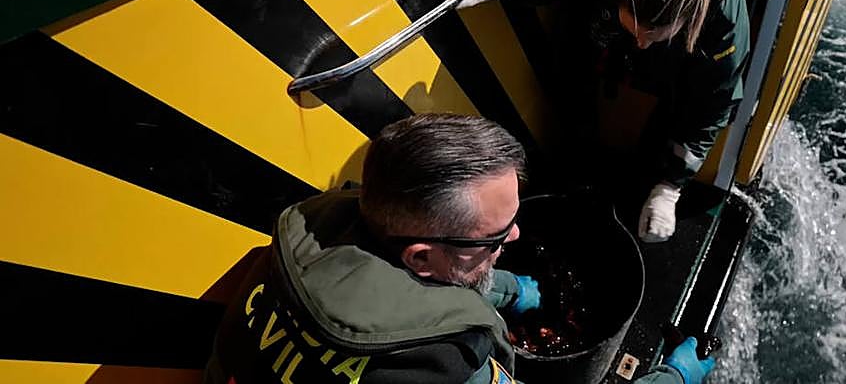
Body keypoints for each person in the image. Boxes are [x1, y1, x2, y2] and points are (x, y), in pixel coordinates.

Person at [203, 113, 715, 384]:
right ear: (420, 257)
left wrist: (511, 290)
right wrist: (673, 376)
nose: (513, 238)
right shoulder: (445, 368)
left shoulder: (305, 239)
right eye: (494, 237)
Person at [450, 0, 750, 243]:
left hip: (677, 56)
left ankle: (650, 174)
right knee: (573, 64)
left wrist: (670, 186)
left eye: (653, 36)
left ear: (691, 18)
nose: (641, 43)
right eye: (636, 31)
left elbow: (711, 105)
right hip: (603, 24)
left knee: (676, 110)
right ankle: (574, 150)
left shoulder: (723, 25)